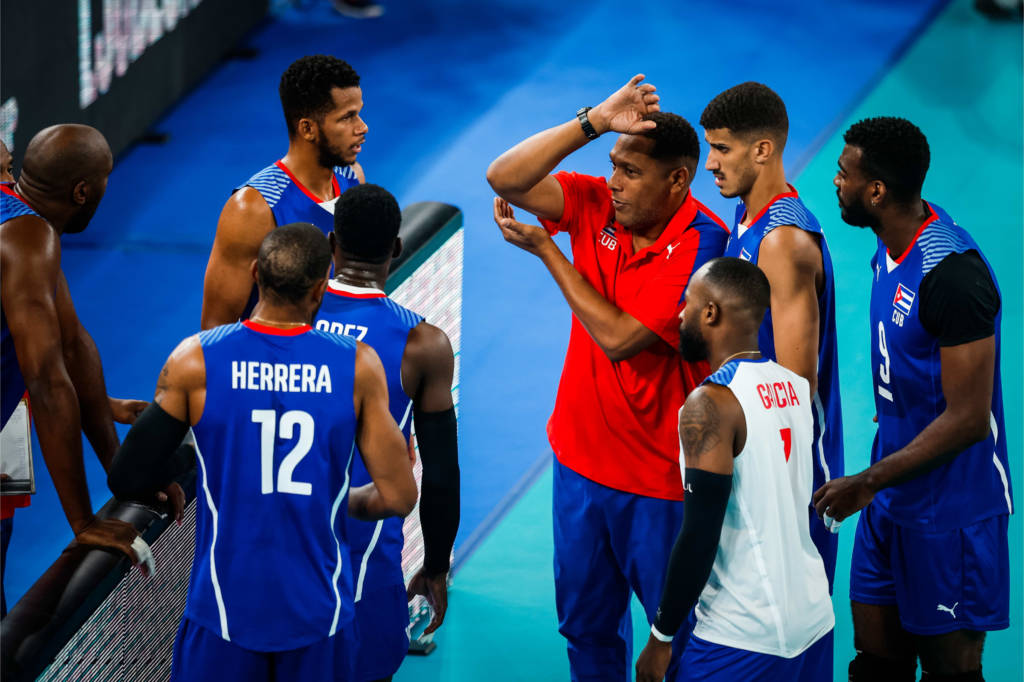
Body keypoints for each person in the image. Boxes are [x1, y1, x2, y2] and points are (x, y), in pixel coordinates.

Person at [487, 74, 728, 679]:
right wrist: (592, 121)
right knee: (586, 632)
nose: (614, 182)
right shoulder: (597, 202)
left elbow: (621, 339)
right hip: (579, 463)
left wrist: (550, 252)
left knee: (677, 647)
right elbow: (504, 178)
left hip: (658, 482)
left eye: (632, 172)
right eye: (613, 166)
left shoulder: (702, 242)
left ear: (678, 180)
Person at [108, 222, 418, 681]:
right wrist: (341, 500)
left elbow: (127, 474)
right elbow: (399, 496)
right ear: (320, 289)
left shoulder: (195, 360)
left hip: (222, 612)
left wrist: (181, 472)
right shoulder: (357, 364)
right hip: (320, 614)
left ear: (255, 272)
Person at [818, 117, 1011, 682]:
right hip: (890, 496)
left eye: (844, 173)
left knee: (951, 670)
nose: (835, 181)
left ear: (876, 191)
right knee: (876, 662)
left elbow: (969, 419)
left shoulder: (953, 276)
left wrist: (868, 481)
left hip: (951, 513)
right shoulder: (892, 243)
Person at [635, 257, 834, 682]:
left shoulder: (710, 405)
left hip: (744, 634)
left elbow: (699, 534)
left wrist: (661, 636)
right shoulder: (795, 387)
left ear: (711, 313)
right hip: (815, 618)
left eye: (688, 302)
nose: (680, 314)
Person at [0, 125, 161, 614]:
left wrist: (122, 474)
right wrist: (83, 522)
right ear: (83, 192)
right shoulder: (26, 235)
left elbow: (72, 344)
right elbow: (48, 380)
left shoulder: (29, 229)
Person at [700, 81, 844, 591]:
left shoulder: (782, 241)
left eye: (722, 149)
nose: (710, 164)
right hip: (754, 452)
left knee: (787, 627)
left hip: (787, 471)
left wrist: (757, 480)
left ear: (762, 149)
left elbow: (795, 388)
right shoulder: (748, 216)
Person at [314, 183, 460, 682]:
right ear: (396, 247)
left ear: (331, 242)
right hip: (366, 559)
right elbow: (440, 474)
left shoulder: (286, 317)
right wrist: (435, 566)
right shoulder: (422, 344)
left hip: (285, 549)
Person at [201, 55, 367, 329]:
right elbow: (216, 327)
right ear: (307, 128)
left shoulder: (352, 177)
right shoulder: (253, 208)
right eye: (348, 117)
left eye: (358, 113)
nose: (362, 127)